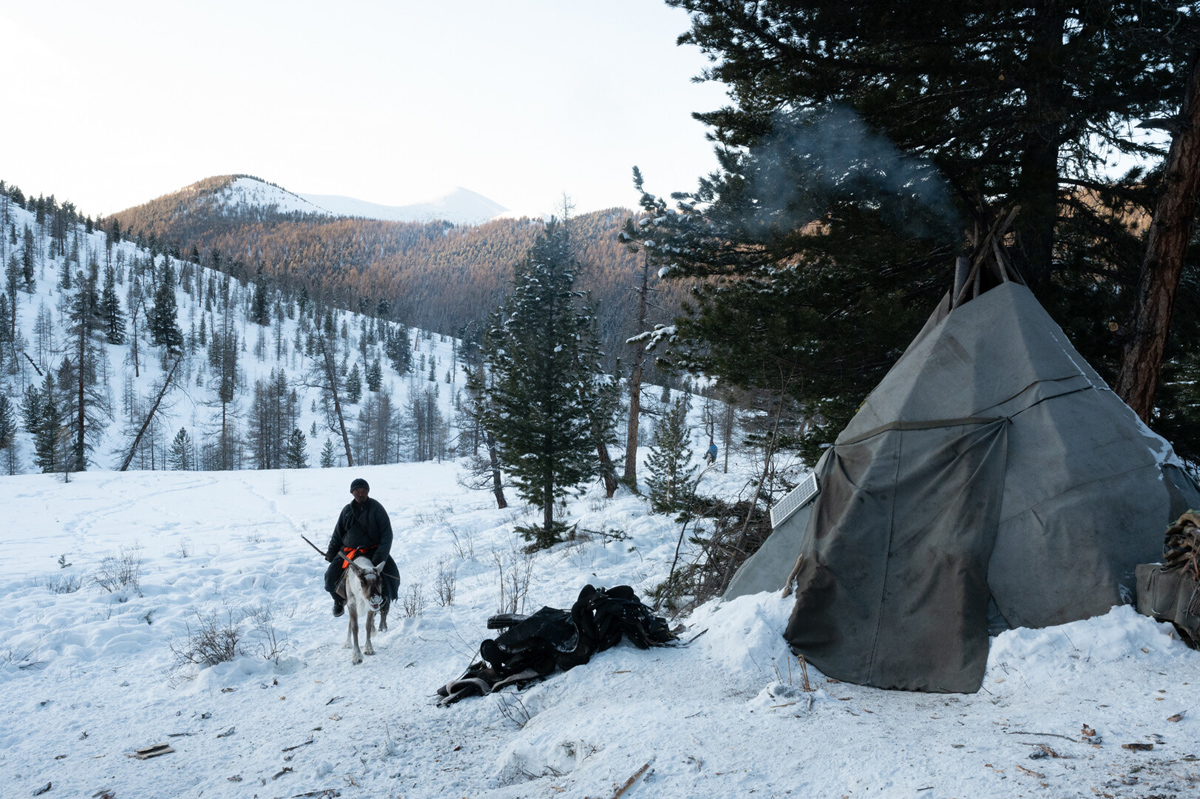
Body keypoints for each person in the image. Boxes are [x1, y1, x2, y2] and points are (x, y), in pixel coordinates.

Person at [324, 477, 400, 616]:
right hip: (349, 552)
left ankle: (383, 601)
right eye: (357, 491)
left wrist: (379, 558)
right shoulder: (346, 510)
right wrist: (331, 552)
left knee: (391, 575)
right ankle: (339, 601)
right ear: (352, 493)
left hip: (373, 551)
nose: (361, 493)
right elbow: (338, 534)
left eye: (364, 491)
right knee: (330, 577)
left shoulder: (377, 508)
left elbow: (386, 535)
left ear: (368, 492)